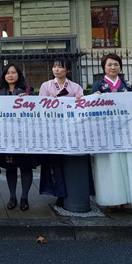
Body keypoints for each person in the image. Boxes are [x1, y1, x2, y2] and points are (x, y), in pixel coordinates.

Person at [91, 53, 132, 213]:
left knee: (129, 163)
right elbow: (90, 108)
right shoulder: (98, 86)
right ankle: (111, 199)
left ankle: (128, 200)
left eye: (116, 64)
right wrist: (93, 98)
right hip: (107, 133)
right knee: (110, 165)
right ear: (104, 67)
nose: (113, 67)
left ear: (120, 66)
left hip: (127, 132)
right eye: (109, 64)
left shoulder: (128, 85)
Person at [38, 58, 89, 209]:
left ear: (68, 70)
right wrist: (48, 100)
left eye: (60, 67)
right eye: (55, 67)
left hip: (72, 131)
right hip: (53, 130)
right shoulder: (46, 86)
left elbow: (83, 108)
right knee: (55, 163)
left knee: (70, 162)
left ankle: (71, 192)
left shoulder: (75, 87)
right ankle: (58, 193)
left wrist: (79, 100)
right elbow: (40, 107)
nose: (57, 70)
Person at [0, 63, 36, 211]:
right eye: (7, 73)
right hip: (7, 136)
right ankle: (12, 196)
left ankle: (24, 197)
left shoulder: (28, 90)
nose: (10, 75)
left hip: (24, 136)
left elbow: (35, 109)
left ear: (18, 74)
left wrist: (28, 100)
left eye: (13, 72)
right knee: (10, 167)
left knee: (26, 167)